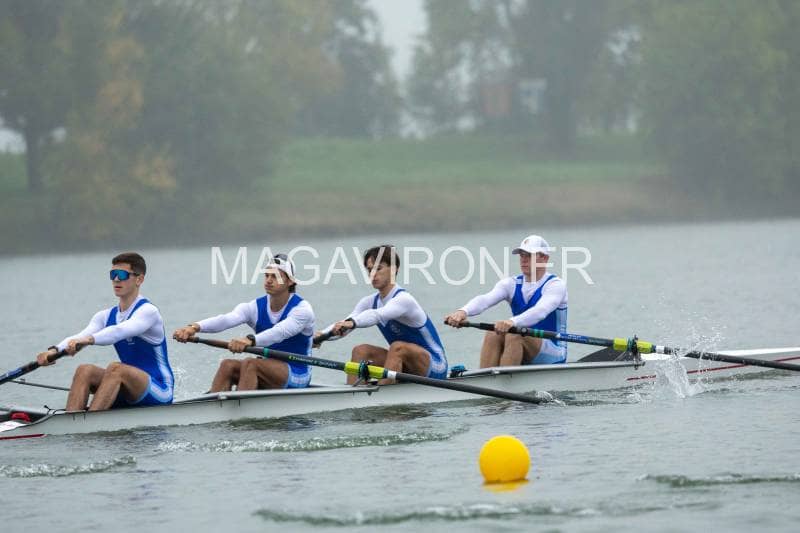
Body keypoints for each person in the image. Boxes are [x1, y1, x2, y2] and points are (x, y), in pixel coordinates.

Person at [36, 252, 174, 411]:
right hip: (127, 388)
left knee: (116, 368)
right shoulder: (105, 316)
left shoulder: (148, 312)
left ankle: (90, 421)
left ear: (139, 279)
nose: (116, 279)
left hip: (159, 390)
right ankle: (72, 419)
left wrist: (88, 341)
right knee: (84, 370)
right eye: (113, 274)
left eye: (122, 274)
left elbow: (119, 331)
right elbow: (80, 336)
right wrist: (53, 351)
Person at [173, 254, 314, 392]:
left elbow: (280, 332)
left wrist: (250, 340)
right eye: (267, 276)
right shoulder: (255, 307)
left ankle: (241, 405)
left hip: (297, 372)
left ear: (290, 281)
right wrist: (194, 327)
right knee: (227, 365)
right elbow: (226, 319)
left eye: (275, 276)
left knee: (251, 363)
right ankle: (214, 405)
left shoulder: (302, 309)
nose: (269, 281)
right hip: (268, 368)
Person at [315, 245, 447, 384]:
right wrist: (320, 336)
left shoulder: (404, 300)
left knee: (397, 348)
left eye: (378, 269)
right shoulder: (368, 302)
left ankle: (384, 393)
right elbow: (344, 324)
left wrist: (352, 323)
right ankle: (353, 394)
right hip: (406, 365)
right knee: (360, 351)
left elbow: (376, 315)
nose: (373, 274)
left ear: (394, 269)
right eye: (369, 270)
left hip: (435, 367)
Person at [444, 234, 568, 367]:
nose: (524, 259)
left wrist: (512, 322)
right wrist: (463, 312)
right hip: (522, 342)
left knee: (515, 334)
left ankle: (504, 377)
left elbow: (540, 311)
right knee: (493, 333)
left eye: (529, 255)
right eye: (522, 255)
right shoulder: (511, 284)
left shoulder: (555, 285)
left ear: (544, 258)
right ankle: (487, 376)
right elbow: (485, 299)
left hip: (554, 352)